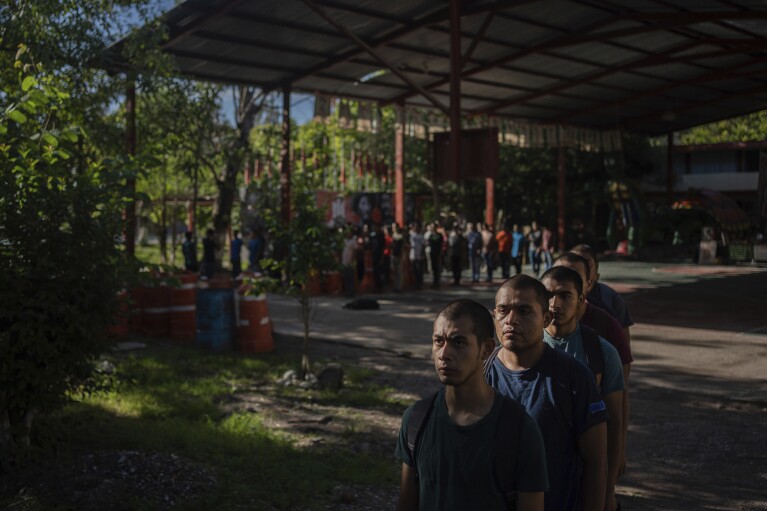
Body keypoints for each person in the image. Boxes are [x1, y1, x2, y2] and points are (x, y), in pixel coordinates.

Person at [395, 299, 548, 511]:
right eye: (438, 341)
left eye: (458, 342)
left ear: (485, 349)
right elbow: (407, 503)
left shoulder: (518, 429)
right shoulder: (416, 420)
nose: (444, 354)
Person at [486, 275, 608, 511]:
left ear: (546, 318)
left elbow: (596, 463)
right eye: (503, 310)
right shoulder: (480, 372)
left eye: (524, 311)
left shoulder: (574, 377)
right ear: (494, 315)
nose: (511, 320)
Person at [540, 266, 625, 511]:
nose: (555, 303)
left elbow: (614, 423)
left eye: (565, 295)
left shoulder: (603, 352)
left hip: (580, 471)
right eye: (548, 295)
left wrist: (608, 490)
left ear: (581, 300)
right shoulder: (525, 348)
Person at [562, 249, 634, 478]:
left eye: (572, 277)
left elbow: (620, 395)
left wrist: (619, 451)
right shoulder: (537, 329)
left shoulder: (607, 326)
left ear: (588, 285)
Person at [409, 223, 425, 290]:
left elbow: (423, 245)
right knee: (414, 270)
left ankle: (419, 283)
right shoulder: (412, 235)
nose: (416, 229)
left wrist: (422, 254)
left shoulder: (421, 236)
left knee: (419, 270)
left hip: (419, 255)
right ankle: (415, 283)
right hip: (413, 255)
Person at [428, 222, 444, 289]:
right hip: (432, 253)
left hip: (438, 254)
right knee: (433, 269)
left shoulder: (439, 235)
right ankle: (434, 282)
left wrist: (440, 254)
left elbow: (441, 245)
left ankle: (438, 283)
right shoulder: (430, 235)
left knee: (438, 269)